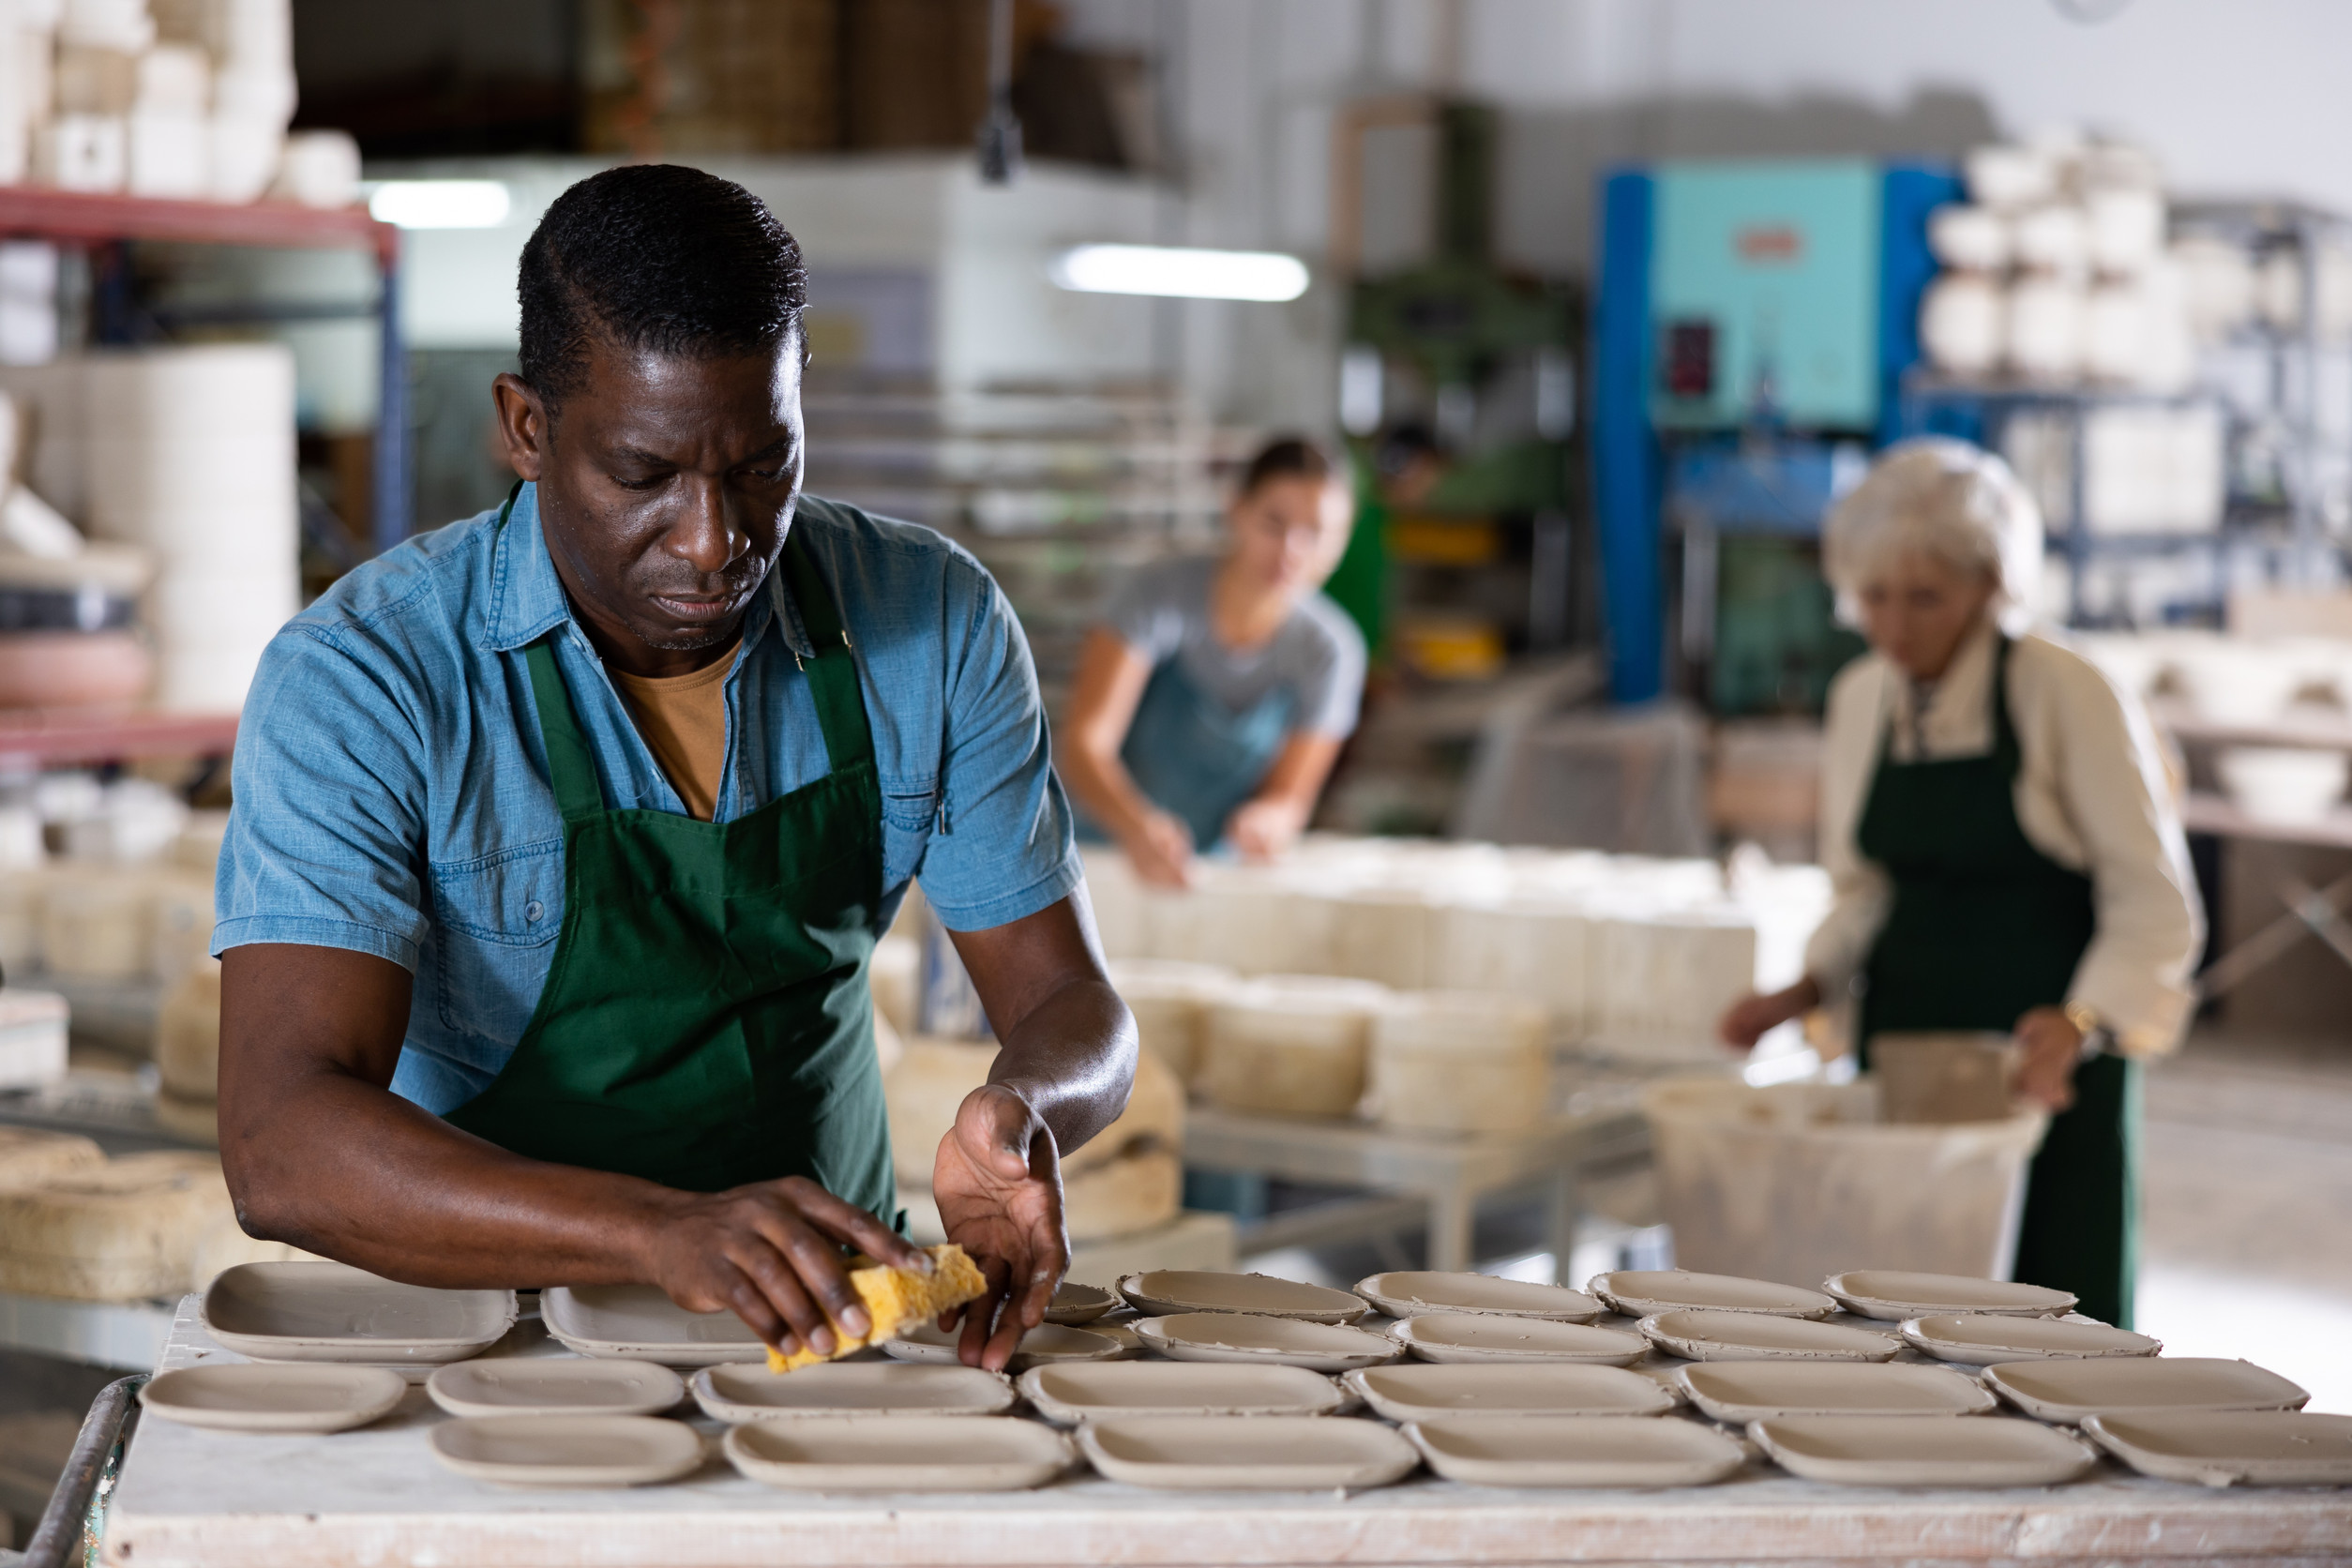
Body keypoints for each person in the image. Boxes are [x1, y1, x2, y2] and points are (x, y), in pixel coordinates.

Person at [210, 165, 1137, 1373]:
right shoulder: (370, 678)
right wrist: (655, 1230)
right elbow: (280, 1145)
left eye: (762, 466)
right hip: (496, 1348)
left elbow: (1078, 1010)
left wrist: (1022, 1117)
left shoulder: (930, 622)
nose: (715, 542)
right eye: (645, 476)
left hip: (831, 1331)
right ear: (527, 428)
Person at [1717, 438, 2201, 1328]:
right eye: (1874, 600)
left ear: (1991, 586)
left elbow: (2151, 900)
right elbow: (1861, 886)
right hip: (1907, 1040)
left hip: (2043, 1059)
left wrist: (2081, 1024)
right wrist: (1806, 984)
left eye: (1926, 599)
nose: (1896, 630)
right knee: (1904, 1306)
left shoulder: (2068, 691)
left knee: (2051, 1311)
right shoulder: (1863, 695)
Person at [1059, 437, 1364, 887]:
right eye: (1273, 523)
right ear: (1236, 510)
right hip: (1093, 857)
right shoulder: (1157, 597)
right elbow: (1085, 745)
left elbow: (1289, 799)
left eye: (1315, 533)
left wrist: (1266, 823)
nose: (1291, 550)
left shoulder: (1330, 651)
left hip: (1208, 874)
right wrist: (1136, 825)